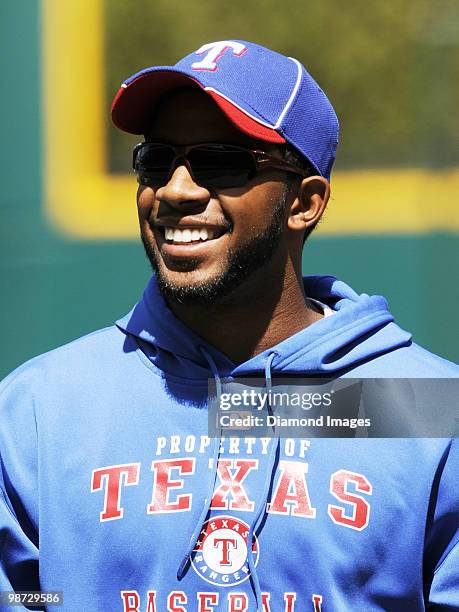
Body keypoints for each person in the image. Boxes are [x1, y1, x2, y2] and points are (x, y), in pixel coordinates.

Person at [0, 40, 458, 612]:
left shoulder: (429, 410)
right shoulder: (40, 409)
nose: (176, 190)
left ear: (304, 203)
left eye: (221, 162)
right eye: (157, 161)